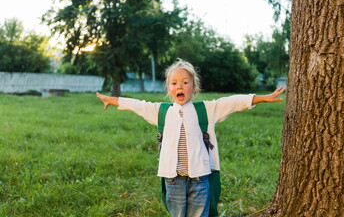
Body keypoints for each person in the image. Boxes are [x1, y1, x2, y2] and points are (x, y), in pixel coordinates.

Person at [96, 59, 285, 217]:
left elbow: (232, 102)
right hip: (173, 179)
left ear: (194, 87)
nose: (180, 86)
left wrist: (261, 98)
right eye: (174, 83)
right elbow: (137, 105)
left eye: (185, 82)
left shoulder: (206, 110)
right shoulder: (161, 111)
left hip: (200, 177)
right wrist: (112, 100)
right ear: (169, 88)